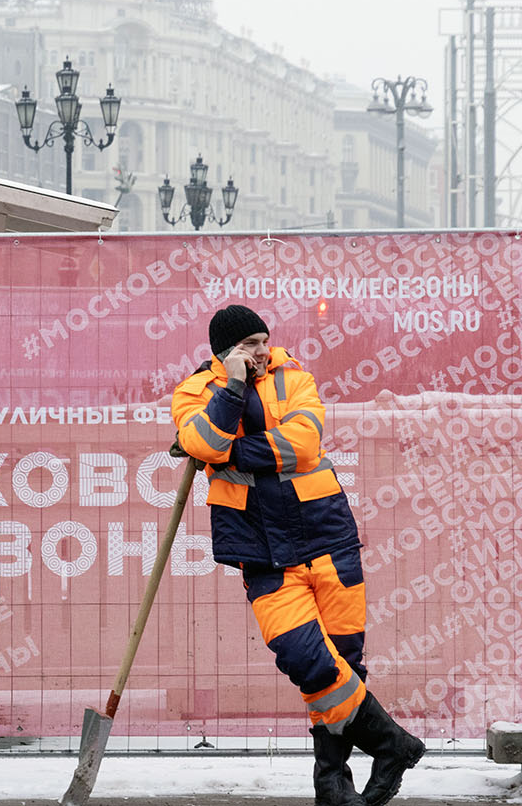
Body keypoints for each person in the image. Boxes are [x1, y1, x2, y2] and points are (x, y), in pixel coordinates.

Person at [172, 304, 423, 806]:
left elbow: (303, 446)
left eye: (265, 340)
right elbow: (199, 437)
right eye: (249, 345)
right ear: (224, 353)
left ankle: (331, 782)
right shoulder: (195, 392)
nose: (263, 351)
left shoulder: (296, 379)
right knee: (306, 659)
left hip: (327, 537)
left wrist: (226, 453)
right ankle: (391, 744)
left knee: (343, 663)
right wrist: (232, 391)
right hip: (260, 552)